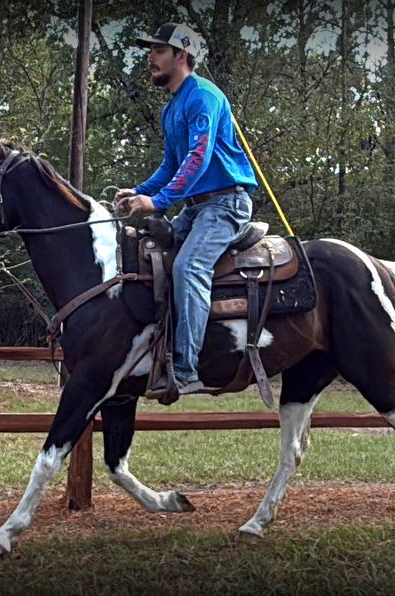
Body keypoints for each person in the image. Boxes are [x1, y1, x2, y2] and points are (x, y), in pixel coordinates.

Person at [115, 23, 258, 395]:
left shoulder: (203, 96)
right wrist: (140, 191)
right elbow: (171, 164)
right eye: (151, 50)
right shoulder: (171, 108)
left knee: (188, 265)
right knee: (148, 251)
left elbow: (199, 156)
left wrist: (159, 202)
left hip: (226, 203)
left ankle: (186, 370)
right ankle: (149, 350)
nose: (151, 57)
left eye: (159, 50)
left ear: (182, 54)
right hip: (197, 209)